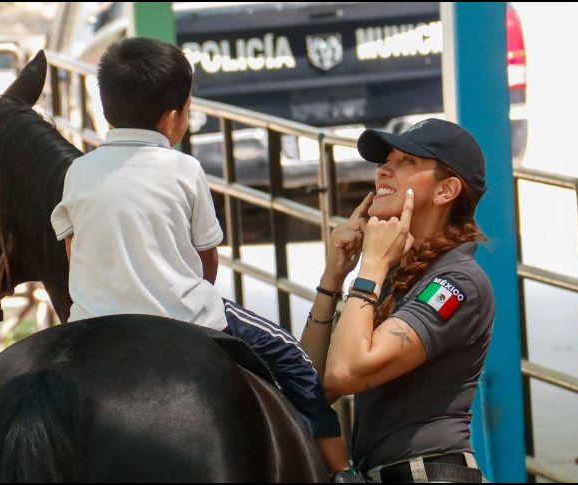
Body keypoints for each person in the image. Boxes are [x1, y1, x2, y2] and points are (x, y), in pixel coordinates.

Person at [49, 37, 352, 477]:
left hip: (94, 323)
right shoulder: (184, 168)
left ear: (106, 107)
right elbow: (207, 260)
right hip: (184, 317)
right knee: (294, 358)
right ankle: (343, 471)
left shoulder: (77, 171)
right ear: (173, 118)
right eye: (189, 112)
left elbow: (73, 251)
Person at [301, 118, 494, 483]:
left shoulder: (456, 283)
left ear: (446, 190)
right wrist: (333, 277)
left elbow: (346, 373)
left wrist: (370, 267)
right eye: (385, 160)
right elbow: (315, 385)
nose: (384, 170)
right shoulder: (394, 269)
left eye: (406, 162)